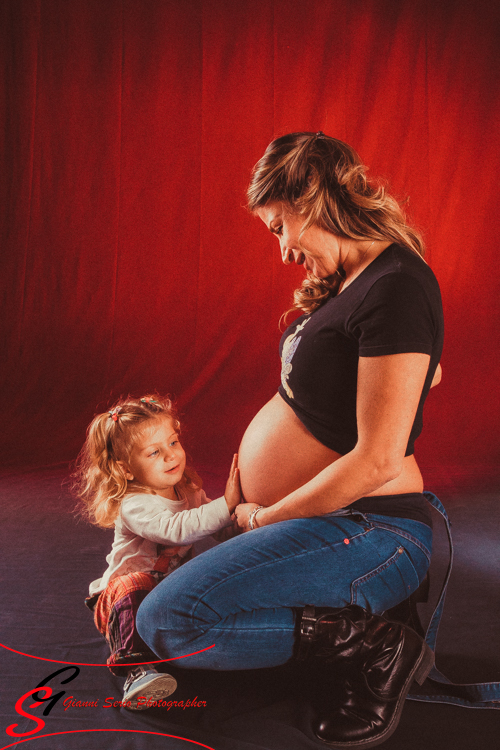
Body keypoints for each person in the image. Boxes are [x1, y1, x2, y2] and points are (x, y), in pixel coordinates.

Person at [136, 132, 444, 747]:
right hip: (317, 523)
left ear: (315, 198)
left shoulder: (398, 285)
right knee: (153, 586)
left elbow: (378, 458)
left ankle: (376, 648)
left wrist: (264, 518)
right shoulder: (357, 283)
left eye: (280, 226)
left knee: (169, 622)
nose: (281, 251)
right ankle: (344, 623)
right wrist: (243, 501)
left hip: (371, 526)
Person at [73, 394, 241, 710]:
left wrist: (247, 519)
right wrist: (226, 504)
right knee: (132, 584)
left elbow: (217, 527)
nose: (170, 456)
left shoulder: (188, 491)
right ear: (126, 470)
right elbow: (177, 528)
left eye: (173, 443)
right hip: (120, 601)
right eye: (154, 452)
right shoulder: (134, 506)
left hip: (166, 592)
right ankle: (136, 673)